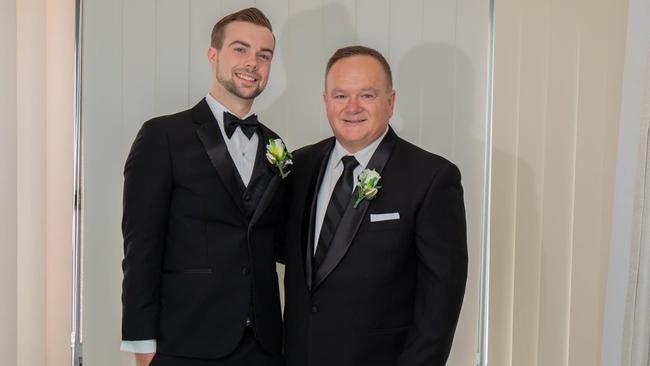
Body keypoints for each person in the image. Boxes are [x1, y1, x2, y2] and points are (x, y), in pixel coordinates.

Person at [282, 45, 468, 366]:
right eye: (340, 96)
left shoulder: (432, 178)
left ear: (390, 102)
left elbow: (440, 303)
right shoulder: (299, 165)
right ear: (326, 101)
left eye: (367, 95)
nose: (352, 107)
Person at [121, 8, 286, 366]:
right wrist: (141, 342)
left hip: (263, 346)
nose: (252, 63)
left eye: (264, 55)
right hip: (183, 341)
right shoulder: (162, 136)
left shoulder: (277, 146)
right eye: (240, 49)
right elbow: (141, 246)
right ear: (213, 55)